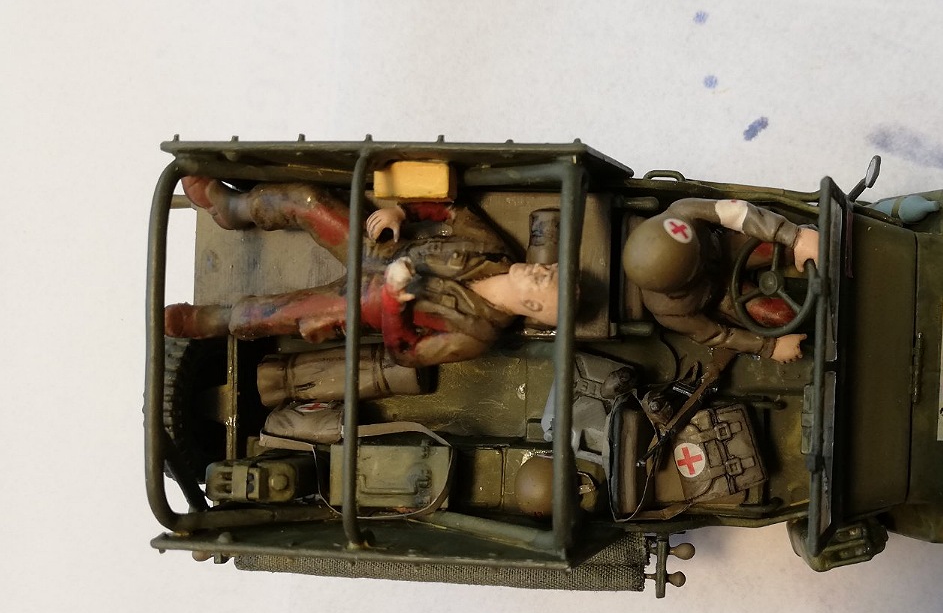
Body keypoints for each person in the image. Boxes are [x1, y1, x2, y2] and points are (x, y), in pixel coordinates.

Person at [164, 177, 560, 367]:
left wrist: (393, 301)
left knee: (276, 314)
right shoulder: (493, 251)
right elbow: (452, 212)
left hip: (362, 303)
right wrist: (401, 213)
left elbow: (405, 353)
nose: (540, 267)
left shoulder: (475, 335)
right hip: (377, 249)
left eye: (543, 279)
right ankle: (234, 209)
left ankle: (214, 320)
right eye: (548, 267)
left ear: (532, 305)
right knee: (306, 201)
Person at [622, 197, 819, 363]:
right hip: (721, 296)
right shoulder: (668, 311)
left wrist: (795, 237)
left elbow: (738, 213)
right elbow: (716, 335)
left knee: (786, 246)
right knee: (782, 318)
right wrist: (770, 347)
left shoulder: (683, 211)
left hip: (726, 249)